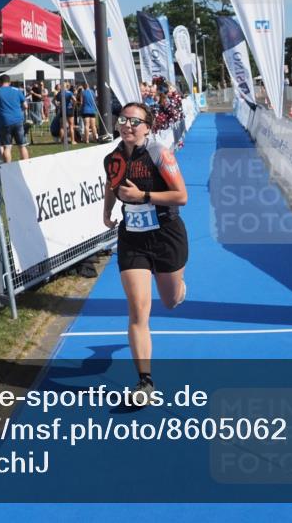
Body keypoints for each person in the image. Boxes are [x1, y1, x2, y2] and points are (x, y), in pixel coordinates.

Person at [102, 102, 189, 401]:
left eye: (134, 121)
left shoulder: (159, 153)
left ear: (147, 127)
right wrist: (107, 211)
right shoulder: (111, 157)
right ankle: (145, 382)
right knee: (138, 310)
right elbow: (109, 184)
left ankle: (179, 287)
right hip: (133, 238)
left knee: (170, 300)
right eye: (123, 119)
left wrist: (144, 196)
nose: (127, 125)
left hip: (166, 235)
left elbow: (182, 196)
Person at [0, 74, 29, 163]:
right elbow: (25, 106)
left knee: (7, 146)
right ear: (9, 82)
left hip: (5, 121)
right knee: (22, 145)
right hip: (18, 120)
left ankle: (8, 168)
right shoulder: (17, 90)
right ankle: (26, 166)